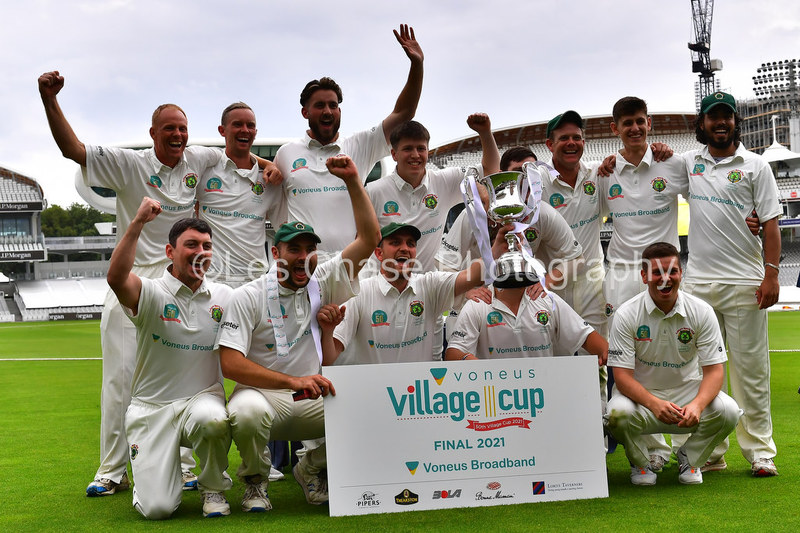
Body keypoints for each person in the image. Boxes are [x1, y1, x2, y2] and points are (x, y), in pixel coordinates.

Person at [38, 70, 227, 495]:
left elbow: (235, 155)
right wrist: (50, 100)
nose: (177, 135)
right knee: (121, 378)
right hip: (133, 283)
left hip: (181, 285)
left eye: (182, 128)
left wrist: (268, 167)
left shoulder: (199, 159)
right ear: (153, 133)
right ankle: (112, 470)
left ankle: (185, 466)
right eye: (169, 129)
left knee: (184, 376)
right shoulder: (130, 164)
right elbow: (73, 150)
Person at [215, 155, 379, 512]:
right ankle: (255, 482)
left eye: (310, 249)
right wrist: (292, 381)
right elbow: (230, 365)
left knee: (365, 404)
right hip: (262, 397)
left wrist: (353, 181)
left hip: (308, 397)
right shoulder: (248, 295)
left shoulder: (323, 280)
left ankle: (310, 468)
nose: (304, 257)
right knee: (245, 413)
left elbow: (370, 239)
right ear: (276, 252)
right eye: (294, 249)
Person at [107, 198, 234, 518]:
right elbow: (116, 278)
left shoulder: (225, 296)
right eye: (191, 244)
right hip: (152, 409)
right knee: (158, 509)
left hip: (201, 401)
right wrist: (137, 222)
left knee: (213, 418)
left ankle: (213, 487)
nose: (201, 252)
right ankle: (158, 477)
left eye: (207, 246)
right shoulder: (150, 292)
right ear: (169, 251)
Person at [681, 91, 782, 476]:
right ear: (702, 123)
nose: (720, 122)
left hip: (745, 283)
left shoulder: (756, 165)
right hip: (699, 287)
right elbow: (651, 170)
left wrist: (771, 273)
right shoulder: (688, 163)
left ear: (736, 122)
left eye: (726, 116)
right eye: (713, 117)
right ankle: (711, 450)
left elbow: (770, 223)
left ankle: (760, 452)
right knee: (703, 373)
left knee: (751, 373)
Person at [274, 24, 423, 255]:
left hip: (348, 266)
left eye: (333, 105)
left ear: (340, 111)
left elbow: (404, 113)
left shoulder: (359, 145)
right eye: (320, 105)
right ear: (305, 112)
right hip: (301, 266)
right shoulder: (286, 153)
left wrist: (417, 65)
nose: (328, 111)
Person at [605, 242, 741, 486]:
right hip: (642, 400)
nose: (665, 279)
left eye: (672, 271)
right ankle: (641, 462)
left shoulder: (702, 311)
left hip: (687, 396)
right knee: (617, 414)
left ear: (681, 273)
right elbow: (622, 376)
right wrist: (653, 403)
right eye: (657, 272)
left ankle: (690, 457)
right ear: (644, 276)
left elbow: (714, 371)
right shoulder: (626, 313)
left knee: (728, 411)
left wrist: (698, 405)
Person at [320, 222, 487, 365]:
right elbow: (328, 358)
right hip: (374, 391)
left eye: (411, 244)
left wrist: (498, 246)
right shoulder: (359, 293)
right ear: (379, 253)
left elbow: (474, 275)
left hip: (421, 391)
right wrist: (328, 331)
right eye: (395, 242)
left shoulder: (430, 285)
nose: (405, 248)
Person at [444, 225, 608, 364]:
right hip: (495, 391)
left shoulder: (547, 300)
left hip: (545, 390)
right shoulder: (478, 305)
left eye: (517, 248)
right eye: (503, 250)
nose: (511, 253)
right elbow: (452, 354)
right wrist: (487, 371)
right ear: (491, 258)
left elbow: (590, 339)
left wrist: (606, 353)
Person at [366, 115, 499, 272]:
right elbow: (362, 242)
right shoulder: (373, 191)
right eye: (408, 148)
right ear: (394, 154)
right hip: (385, 282)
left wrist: (485, 133)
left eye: (421, 148)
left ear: (427, 152)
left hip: (427, 284)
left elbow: (490, 170)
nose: (415, 155)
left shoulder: (445, 181)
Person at [196, 102, 286, 286]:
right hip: (211, 281)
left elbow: (283, 229)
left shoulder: (269, 180)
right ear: (222, 130)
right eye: (237, 124)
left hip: (254, 282)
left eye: (250, 125)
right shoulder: (205, 171)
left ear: (255, 131)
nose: (245, 130)